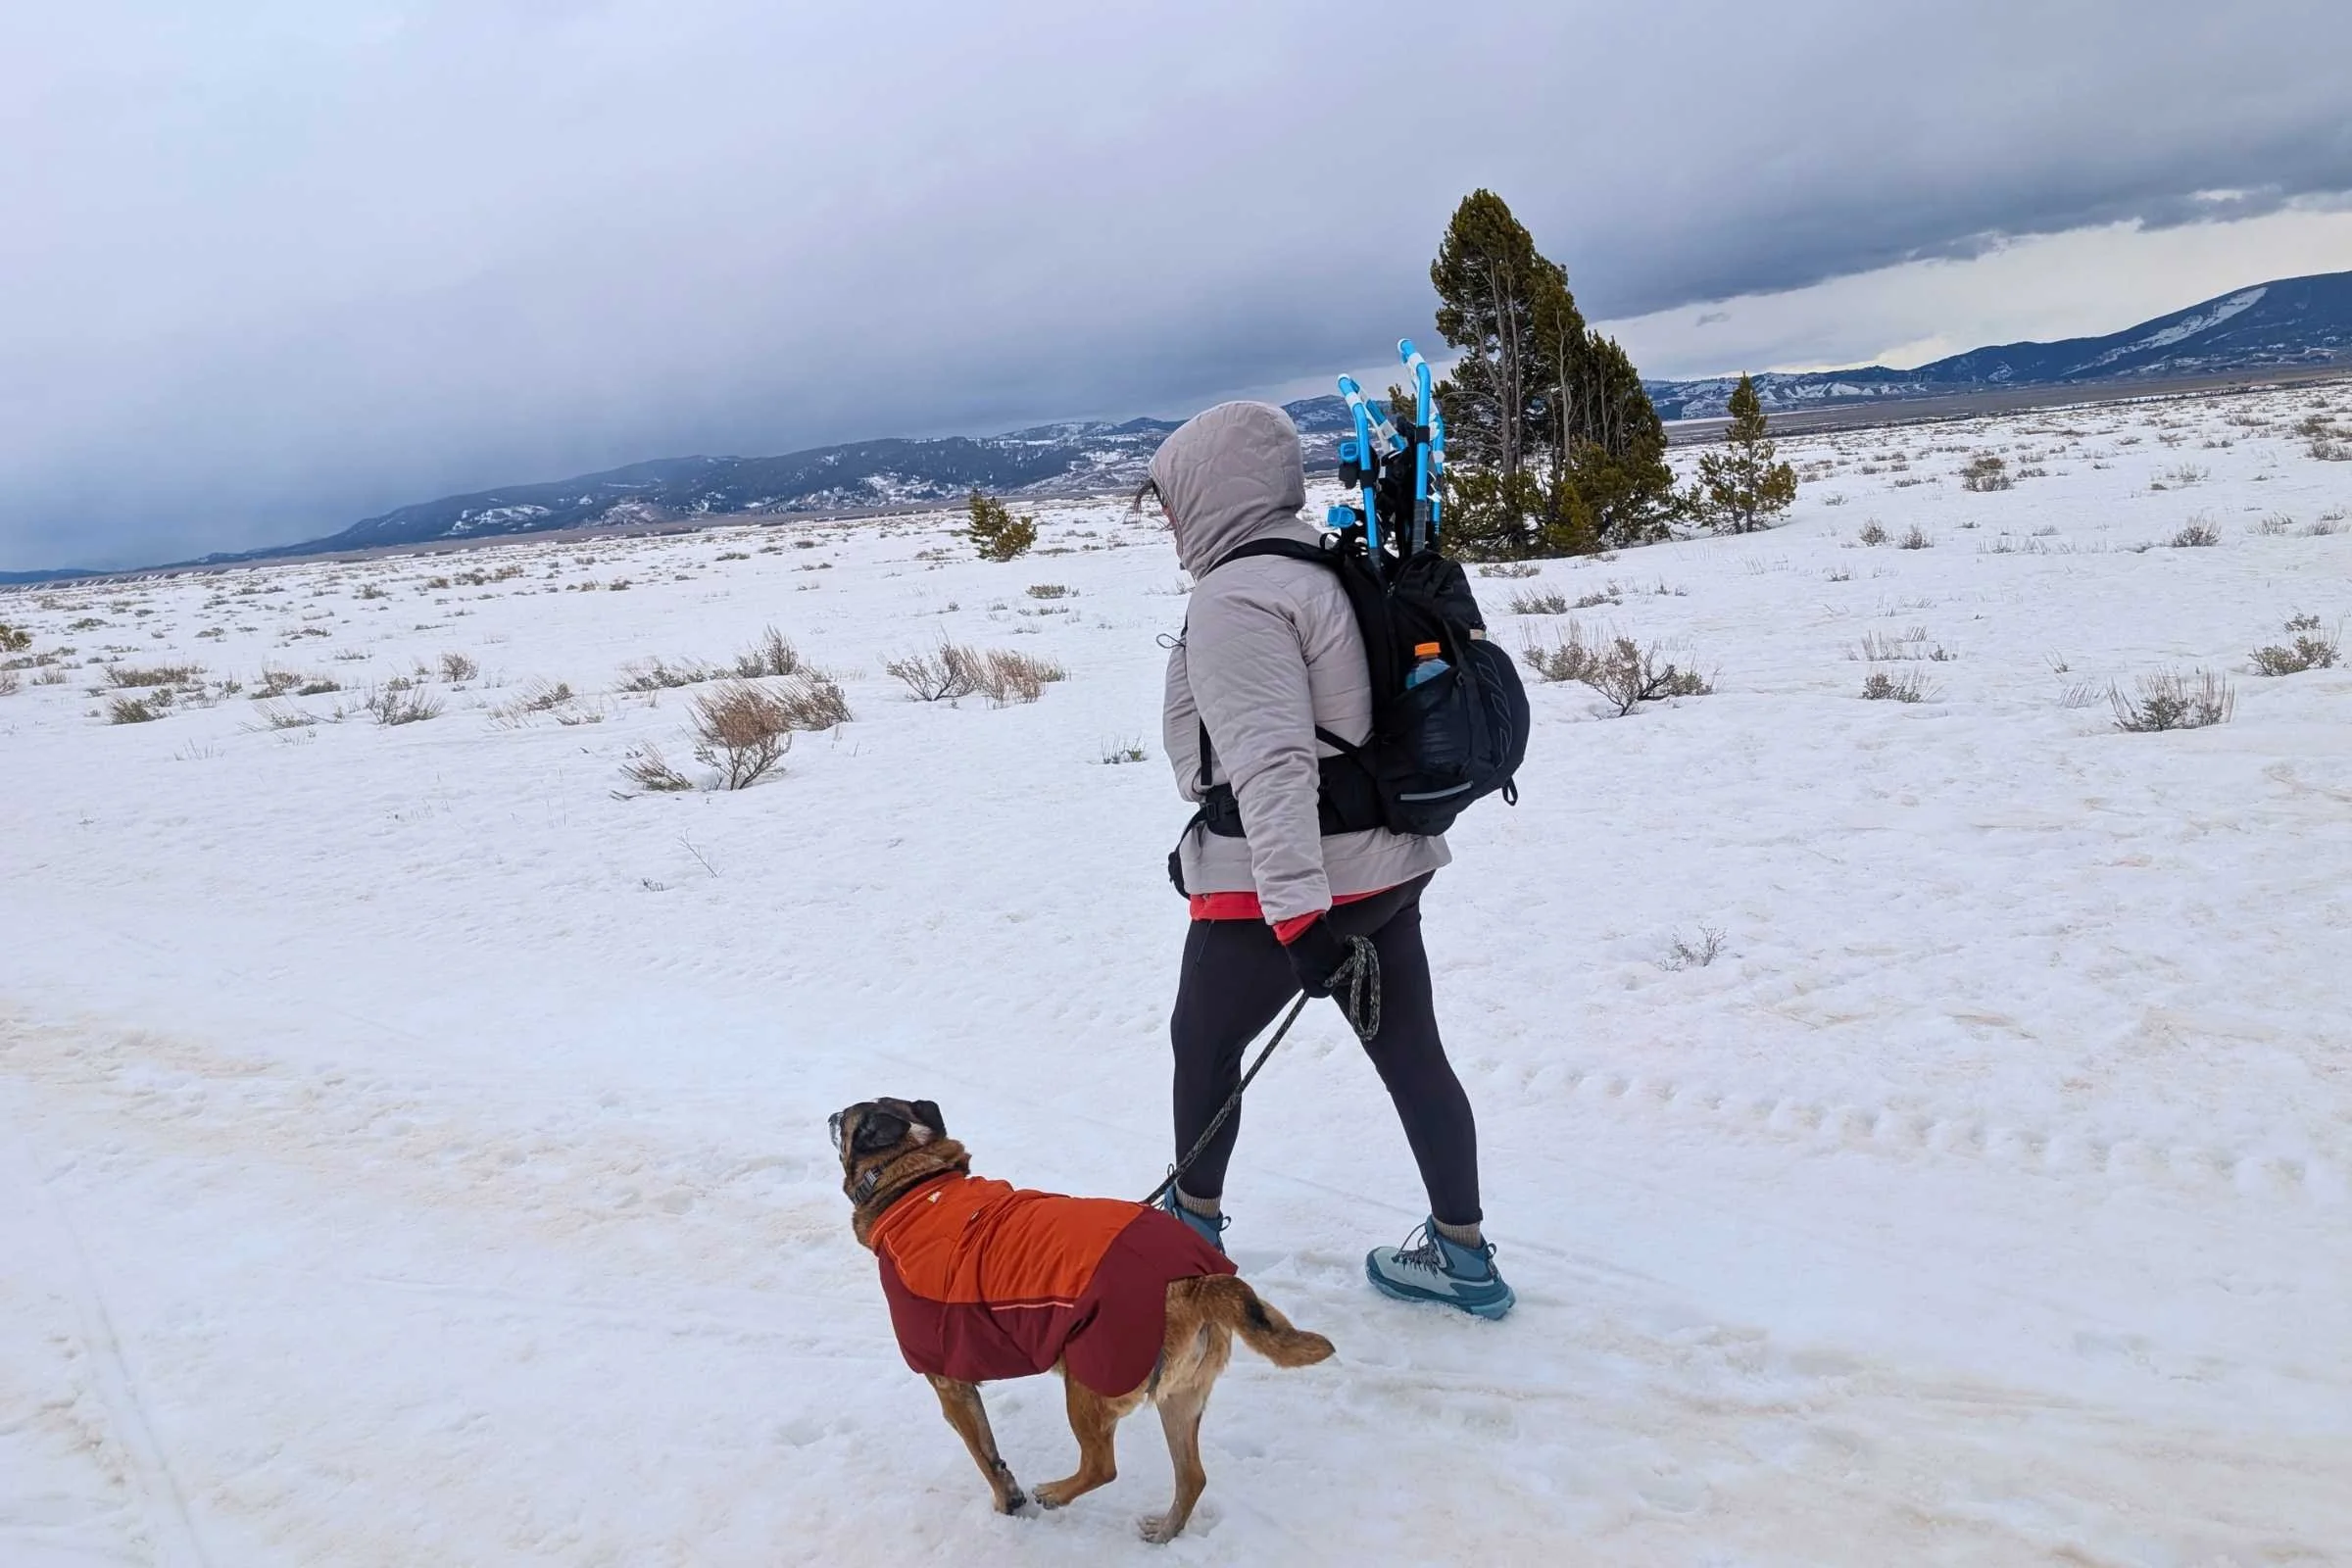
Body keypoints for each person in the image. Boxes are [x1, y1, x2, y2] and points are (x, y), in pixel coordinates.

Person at [1146, 400, 1512, 1321]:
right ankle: (1463, 1256)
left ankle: (1189, 1248)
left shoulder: (1236, 596)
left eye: (1168, 496)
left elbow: (1274, 761)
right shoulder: (1330, 562)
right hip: (1388, 861)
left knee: (1204, 1045)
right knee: (1412, 1051)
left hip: (1299, 875)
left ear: (1206, 486)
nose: (1164, 516)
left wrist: (1298, 916)